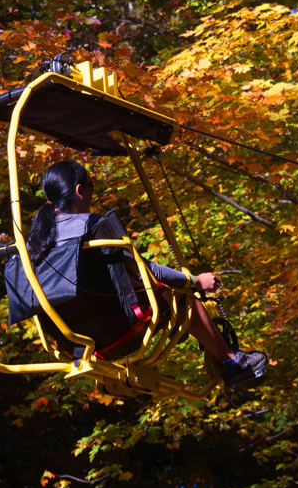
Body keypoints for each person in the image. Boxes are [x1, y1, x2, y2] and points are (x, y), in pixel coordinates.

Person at [23, 160, 267, 386]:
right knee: (181, 294)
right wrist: (194, 281)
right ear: (79, 191)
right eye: (91, 186)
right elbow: (144, 270)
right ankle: (230, 361)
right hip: (121, 329)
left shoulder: (32, 246)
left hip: (71, 343)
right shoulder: (92, 226)